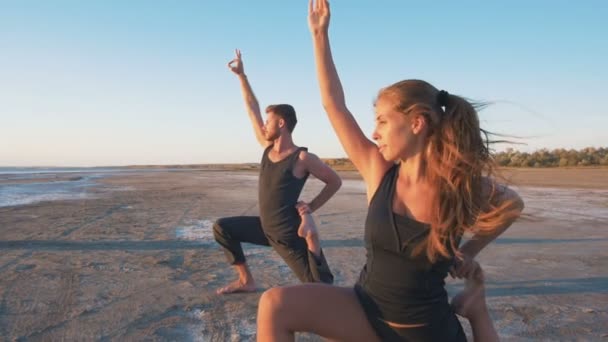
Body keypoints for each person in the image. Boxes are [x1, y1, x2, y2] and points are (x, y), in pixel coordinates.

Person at [255, 0, 524, 340]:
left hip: (424, 330)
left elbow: (512, 205)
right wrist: (319, 35)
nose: (374, 132)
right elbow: (334, 105)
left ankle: (477, 309)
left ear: (417, 123)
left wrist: (468, 252)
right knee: (275, 304)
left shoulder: (458, 185)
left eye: (382, 120)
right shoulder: (379, 171)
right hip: (366, 309)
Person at [213, 49, 342, 295]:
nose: (263, 124)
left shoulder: (302, 158)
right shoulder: (267, 148)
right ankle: (246, 280)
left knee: (320, 288)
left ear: (281, 123)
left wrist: (311, 207)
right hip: (265, 227)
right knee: (222, 228)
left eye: (268, 121)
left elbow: (334, 182)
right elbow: (252, 108)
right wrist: (241, 76)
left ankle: (314, 245)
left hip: (288, 235)